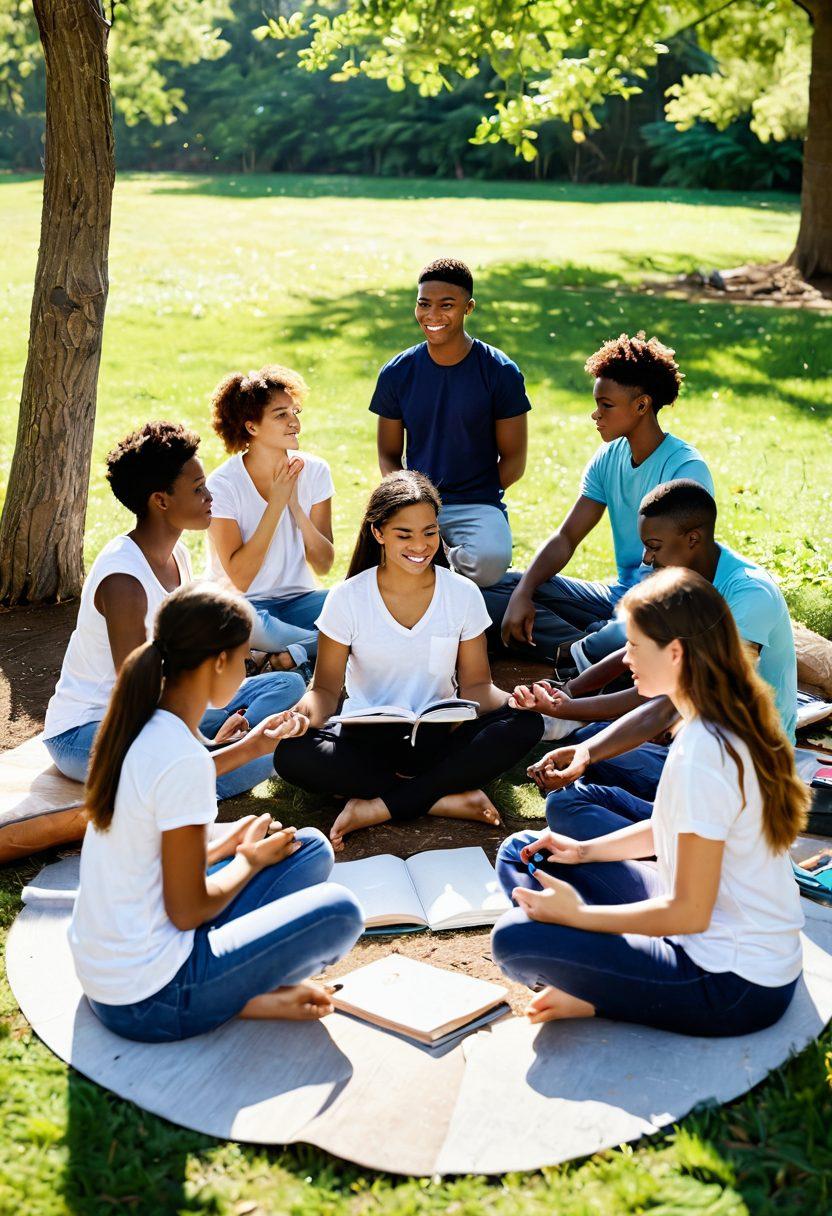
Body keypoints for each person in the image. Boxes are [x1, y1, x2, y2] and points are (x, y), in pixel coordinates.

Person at [491, 567, 809, 1036]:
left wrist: (580, 917)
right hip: (707, 932)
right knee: (523, 850)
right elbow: (669, 823)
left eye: (635, 645)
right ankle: (604, 965)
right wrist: (583, 851)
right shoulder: (710, 719)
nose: (627, 657)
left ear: (675, 653)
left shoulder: (706, 749)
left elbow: (689, 912)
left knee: (515, 940)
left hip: (733, 982)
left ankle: (596, 991)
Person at [69, 582, 364, 1043]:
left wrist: (228, 833)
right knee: (340, 911)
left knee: (309, 850)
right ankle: (242, 996)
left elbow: (143, 854)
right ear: (221, 660)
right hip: (152, 998)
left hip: (115, 971)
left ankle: (237, 986)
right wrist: (246, 861)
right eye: (245, 656)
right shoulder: (179, 758)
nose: (247, 667)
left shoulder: (142, 724)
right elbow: (187, 911)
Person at [273, 471, 545, 850]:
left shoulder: (462, 594)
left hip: (438, 737)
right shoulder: (347, 598)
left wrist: (514, 701)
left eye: (430, 532)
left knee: (525, 724)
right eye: (405, 534)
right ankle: (443, 797)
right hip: (366, 743)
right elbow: (324, 690)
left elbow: (477, 687)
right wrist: (301, 715)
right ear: (379, 533)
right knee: (291, 754)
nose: (420, 545)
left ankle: (380, 805)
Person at [511, 480, 798, 836]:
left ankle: (669, 831)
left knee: (573, 795)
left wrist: (568, 714)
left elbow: (669, 704)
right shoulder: (687, 579)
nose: (646, 559)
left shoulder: (749, 596)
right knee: (595, 742)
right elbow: (640, 654)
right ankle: (651, 816)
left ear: (692, 539)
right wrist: (572, 692)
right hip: (692, 745)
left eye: (654, 547)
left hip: (742, 768)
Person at [43, 422, 305, 799]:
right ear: (160, 500)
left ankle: (221, 750)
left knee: (287, 684)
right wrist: (205, 743)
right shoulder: (124, 583)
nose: (210, 495)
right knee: (279, 753)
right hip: (94, 732)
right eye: (198, 490)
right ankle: (216, 761)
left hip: (165, 711)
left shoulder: (176, 556)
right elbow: (139, 694)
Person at [487, 332, 713, 669]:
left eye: (605, 406)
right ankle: (585, 649)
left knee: (639, 631)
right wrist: (523, 594)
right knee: (495, 590)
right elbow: (566, 538)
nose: (596, 415)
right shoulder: (608, 457)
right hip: (615, 597)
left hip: (664, 606)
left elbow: (684, 572)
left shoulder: (684, 467)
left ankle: (591, 648)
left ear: (641, 405)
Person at [371, 257, 531, 588]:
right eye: (423, 304)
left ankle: (442, 564)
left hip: (478, 502)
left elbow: (514, 461)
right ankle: (443, 568)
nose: (432, 315)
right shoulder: (397, 373)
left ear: (468, 307)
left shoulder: (500, 372)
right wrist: (409, 500)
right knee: (377, 571)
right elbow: (388, 454)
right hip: (417, 502)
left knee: (489, 563)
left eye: (447, 305)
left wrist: (479, 490)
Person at [207, 364, 334, 671]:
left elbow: (324, 563)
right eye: (281, 415)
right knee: (243, 621)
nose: (295, 423)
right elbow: (241, 577)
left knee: (361, 603)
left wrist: (295, 507)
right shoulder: (222, 485)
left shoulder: (315, 471)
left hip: (299, 602)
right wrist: (275, 504)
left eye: (295, 412)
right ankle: (322, 648)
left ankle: (284, 655)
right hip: (244, 609)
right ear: (252, 427)